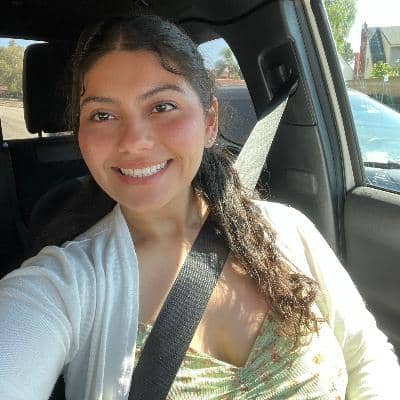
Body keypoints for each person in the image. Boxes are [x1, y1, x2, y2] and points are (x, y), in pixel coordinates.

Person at [0, 14, 399, 400]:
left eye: (162, 106)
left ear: (210, 123)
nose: (134, 141)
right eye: (103, 114)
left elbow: (366, 356)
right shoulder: (63, 284)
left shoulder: (288, 230)